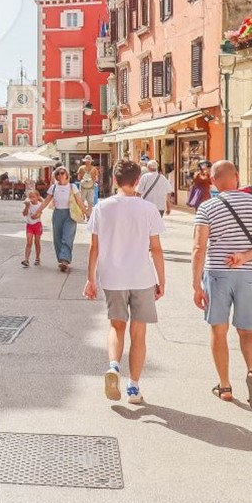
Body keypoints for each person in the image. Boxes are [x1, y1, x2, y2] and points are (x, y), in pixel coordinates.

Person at [191, 161, 252, 408]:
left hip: (217, 273)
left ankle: (224, 386)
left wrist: (195, 285)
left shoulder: (207, 207)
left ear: (212, 181)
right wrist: (247, 256)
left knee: (218, 330)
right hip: (250, 274)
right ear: (237, 177)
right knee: (248, 330)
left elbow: (199, 247)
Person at [84, 160, 166, 405]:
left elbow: (94, 247)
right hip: (142, 277)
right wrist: (161, 281)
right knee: (138, 333)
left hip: (113, 277)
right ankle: (133, 387)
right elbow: (157, 249)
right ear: (138, 180)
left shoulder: (103, 207)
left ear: (115, 181)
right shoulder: (148, 209)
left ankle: (113, 366)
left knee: (116, 327)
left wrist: (91, 279)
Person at [37, 166, 87, 273]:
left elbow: (79, 201)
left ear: (67, 174)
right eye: (58, 173)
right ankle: (61, 259)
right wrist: (38, 211)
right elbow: (46, 201)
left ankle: (65, 260)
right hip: (58, 213)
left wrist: (86, 212)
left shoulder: (72, 187)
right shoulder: (53, 188)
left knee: (67, 237)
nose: (60, 175)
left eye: (62, 173)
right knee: (57, 238)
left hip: (70, 214)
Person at [21, 189, 44, 266]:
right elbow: (24, 214)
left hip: (37, 225)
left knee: (37, 242)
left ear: (37, 197)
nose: (32, 199)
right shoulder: (28, 204)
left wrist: (36, 215)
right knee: (29, 242)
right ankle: (26, 259)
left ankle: (37, 258)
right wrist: (26, 206)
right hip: (29, 225)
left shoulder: (39, 205)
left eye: (33, 197)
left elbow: (39, 214)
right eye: (30, 197)